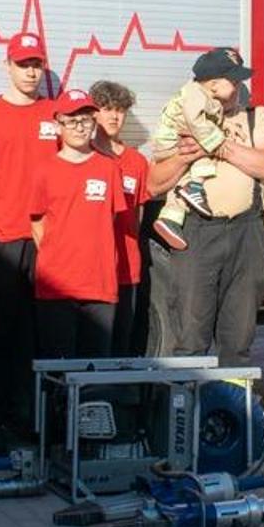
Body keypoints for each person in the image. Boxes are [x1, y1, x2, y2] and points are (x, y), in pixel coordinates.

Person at [150, 50, 264, 366]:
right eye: (231, 80)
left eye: (238, 81)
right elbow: (154, 184)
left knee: (238, 337)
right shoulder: (183, 115)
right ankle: (186, 410)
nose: (237, 87)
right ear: (210, 83)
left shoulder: (256, 117)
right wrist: (184, 155)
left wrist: (218, 144)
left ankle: (231, 407)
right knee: (190, 336)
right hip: (197, 232)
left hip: (246, 231)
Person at [0, 33, 59, 454]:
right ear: (8, 65)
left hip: (49, 239)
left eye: (36, 64)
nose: (30, 72)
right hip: (6, 238)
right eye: (23, 64)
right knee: (2, 332)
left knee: (40, 333)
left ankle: (35, 419)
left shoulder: (57, 112)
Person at [29, 89, 128, 358]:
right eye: (71, 121)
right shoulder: (43, 169)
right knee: (57, 369)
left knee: (94, 370)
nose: (79, 127)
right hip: (57, 286)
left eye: (85, 120)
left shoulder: (108, 168)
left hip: (100, 284)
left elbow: (111, 219)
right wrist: (57, 255)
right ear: (57, 125)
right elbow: (37, 223)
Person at [147, 51, 243, 249]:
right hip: (171, 142)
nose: (237, 87)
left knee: (183, 178)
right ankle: (195, 187)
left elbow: (214, 119)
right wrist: (218, 142)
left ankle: (170, 218)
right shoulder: (194, 93)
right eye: (233, 82)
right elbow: (196, 120)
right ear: (214, 84)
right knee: (203, 156)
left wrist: (228, 126)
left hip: (178, 141)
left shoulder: (209, 97)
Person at [87, 81, 154, 356]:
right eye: (107, 109)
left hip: (126, 268)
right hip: (91, 269)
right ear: (93, 113)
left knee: (121, 344)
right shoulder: (83, 155)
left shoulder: (137, 162)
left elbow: (136, 219)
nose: (115, 117)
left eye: (120, 110)